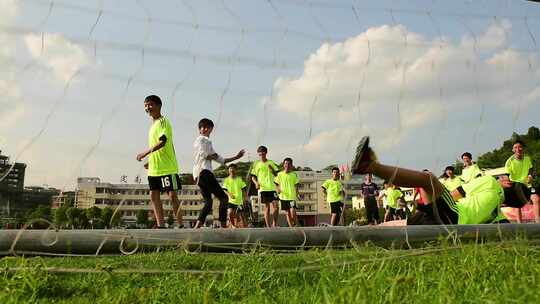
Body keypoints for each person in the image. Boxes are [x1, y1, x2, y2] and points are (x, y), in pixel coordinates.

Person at [352, 136, 526, 225]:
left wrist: (434, 200)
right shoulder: (498, 213)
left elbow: (457, 192)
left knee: (428, 179)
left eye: (507, 178)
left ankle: (370, 166)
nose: (503, 178)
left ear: (509, 183)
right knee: (415, 221)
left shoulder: (491, 183)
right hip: (452, 221)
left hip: (454, 214)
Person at [136, 95, 183, 228]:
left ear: (158, 106)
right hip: (154, 170)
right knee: (153, 196)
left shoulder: (163, 122)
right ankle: (161, 225)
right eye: (145, 105)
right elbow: (156, 147)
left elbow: (163, 142)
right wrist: (150, 161)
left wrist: (145, 153)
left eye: (150, 104)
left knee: (172, 196)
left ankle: (180, 226)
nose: (147, 108)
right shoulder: (152, 126)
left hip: (167, 168)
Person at [192, 118, 245, 228]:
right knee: (224, 198)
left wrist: (236, 157)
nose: (206, 129)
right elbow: (203, 154)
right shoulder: (201, 140)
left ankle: (197, 226)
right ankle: (223, 225)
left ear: (211, 129)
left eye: (208, 127)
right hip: (204, 172)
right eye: (203, 127)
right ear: (199, 130)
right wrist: (212, 156)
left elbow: (221, 160)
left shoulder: (208, 143)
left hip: (199, 176)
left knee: (208, 202)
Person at [505, 140, 540, 223]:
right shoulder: (509, 162)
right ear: (513, 150)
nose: (518, 149)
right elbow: (506, 176)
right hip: (516, 185)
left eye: (520, 147)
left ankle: (538, 222)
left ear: (523, 148)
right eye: (515, 147)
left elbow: (531, 169)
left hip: (527, 184)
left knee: (536, 199)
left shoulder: (527, 159)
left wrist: (530, 175)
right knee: (518, 204)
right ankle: (519, 225)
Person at [251, 146, 280, 227]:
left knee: (276, 207)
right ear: (258, 154)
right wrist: (256, 183)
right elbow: (253, 177)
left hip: (272, 188)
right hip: (263, 189)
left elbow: (277, 174)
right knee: (267, 207)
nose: (261, 154)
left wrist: (272, 171)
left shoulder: (271, 162)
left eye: (263, 152)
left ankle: (274, 224)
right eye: (260, 153)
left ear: (266, 153)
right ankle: (268, 226)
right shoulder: (256, 164)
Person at [274, 157, 300, 227]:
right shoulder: (279, 174)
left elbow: (296, 185)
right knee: (287, 213)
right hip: (283, 197)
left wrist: (297, 194)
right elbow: (276, 184)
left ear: (291, 165)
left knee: (293, 211)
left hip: (292, 197)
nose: (287, 165)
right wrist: (278, 189)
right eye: (285, 163)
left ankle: (295, 223)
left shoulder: (294, 175)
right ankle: (291, 228)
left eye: (289, 164)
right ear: (283, 164)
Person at [222, 164, 248, 228]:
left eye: (233, 168)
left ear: (236, 170)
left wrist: (245, 199)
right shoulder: (226, 180)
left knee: (242, 218)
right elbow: (224, 190)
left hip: (239, 202)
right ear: (228, 170)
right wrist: (229, 194)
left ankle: (243, 228)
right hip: (230, 201)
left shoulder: (239, 179)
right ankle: (233, 226)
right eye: (230, 168)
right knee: (230, 212)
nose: (232, 170)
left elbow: (244, 189)